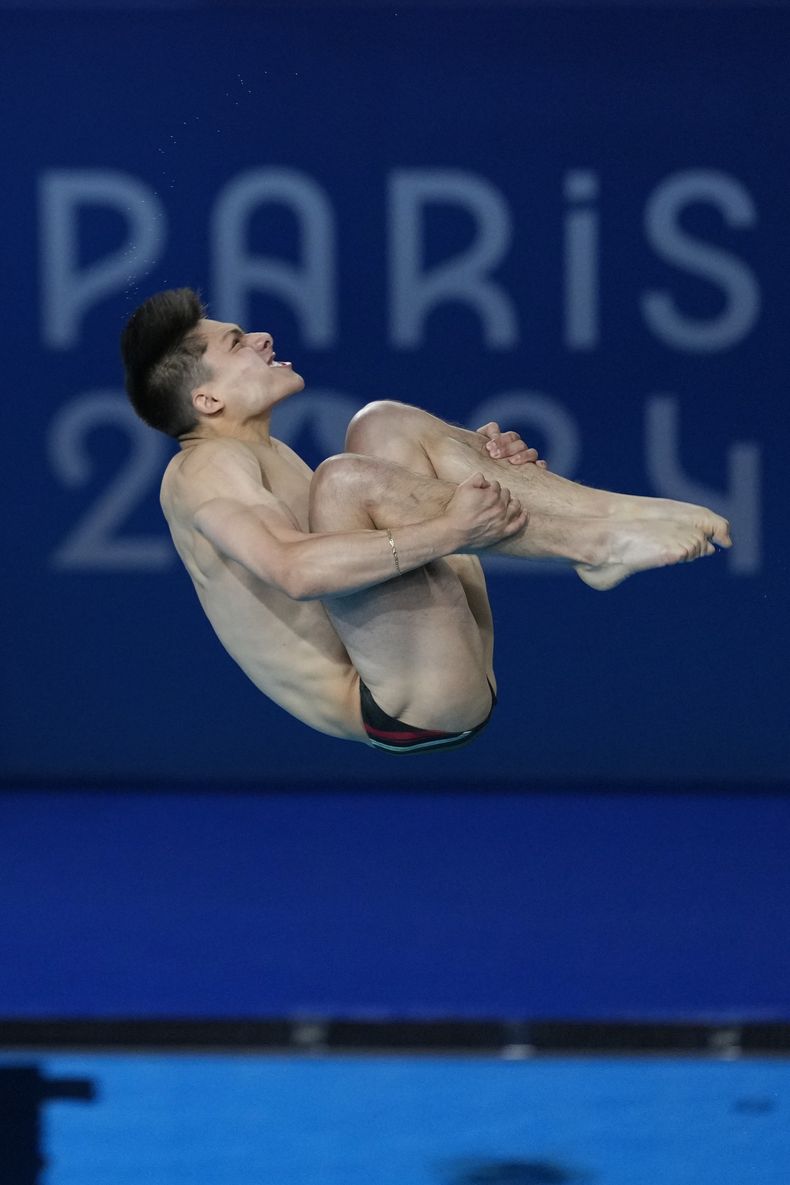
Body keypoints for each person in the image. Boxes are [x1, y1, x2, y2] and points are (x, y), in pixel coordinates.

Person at [121, 288, 731, 753]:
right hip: (397, 701)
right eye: (236, 343)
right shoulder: (203, 470)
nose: (262, 337)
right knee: (345, 479)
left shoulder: (269, 453)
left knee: (382, 423)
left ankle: (595, 528)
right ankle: (597, 540)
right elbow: (293, 571)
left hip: (432, 653)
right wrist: (453, 528)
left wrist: (485, 467)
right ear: (207, 401)